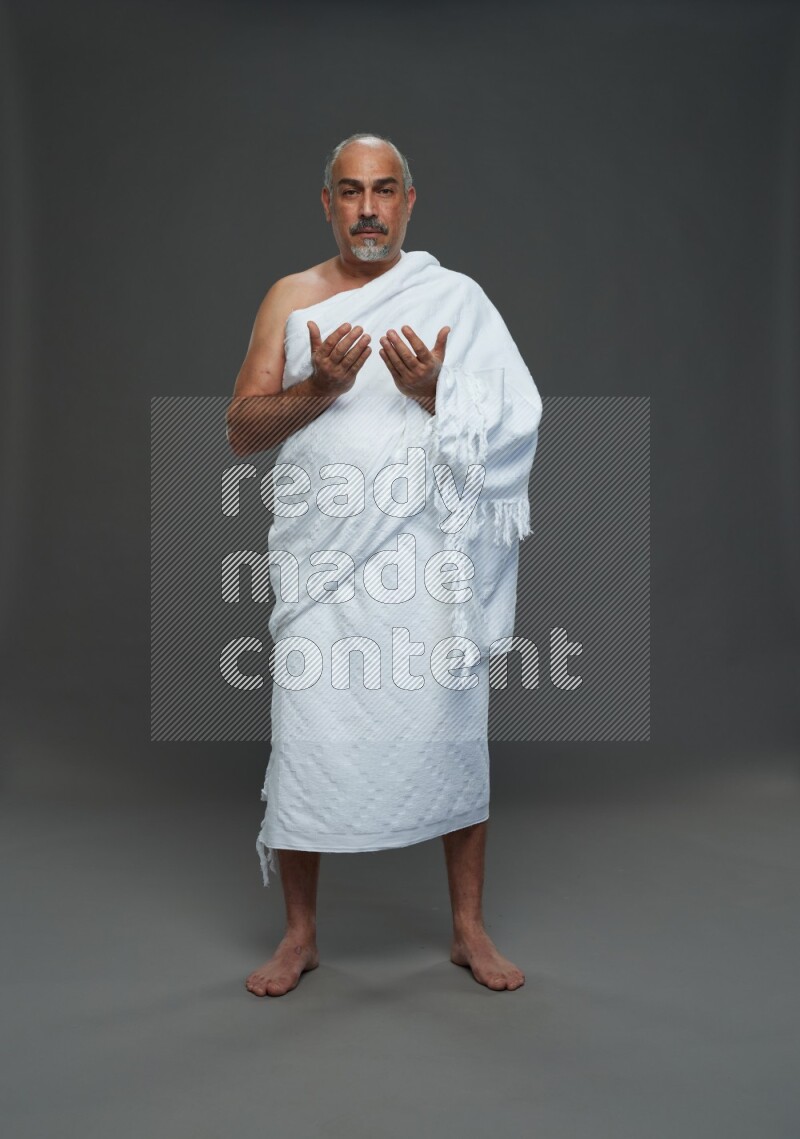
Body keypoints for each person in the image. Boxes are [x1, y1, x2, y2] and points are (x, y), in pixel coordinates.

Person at [226, 132, 543, 996]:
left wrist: (441, 396)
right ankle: (299, 936)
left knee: (453, 732)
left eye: (386, 190)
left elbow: (518, 418)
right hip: (322, 568)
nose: (369, 208)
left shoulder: (457, 299)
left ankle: (467, 930)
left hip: (428, 562)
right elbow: (241, 430)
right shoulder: (290, 299)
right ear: (326, 203)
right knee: (307, 737)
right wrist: (317, 390)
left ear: (410, 200)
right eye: (351, 192)